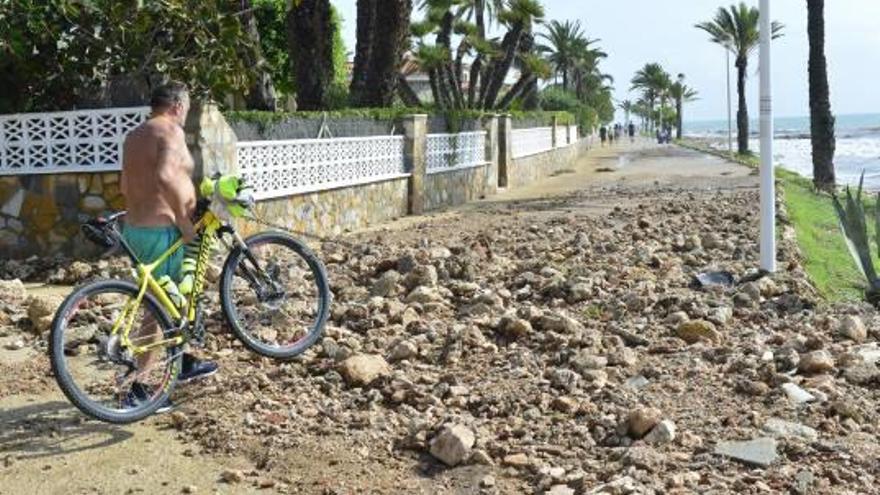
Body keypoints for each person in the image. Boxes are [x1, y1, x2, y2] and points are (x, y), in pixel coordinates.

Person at [120, 81, 219, 412]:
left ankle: (183, 361)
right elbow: (164, 176)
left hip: (137, 229)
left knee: (173, 301)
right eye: (187, 108)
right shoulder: (171, 131)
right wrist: (183, 221)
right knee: (155, 312)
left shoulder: (135, 136)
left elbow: (125, 183)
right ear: (178, 105)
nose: (186, 114)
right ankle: (137, 388)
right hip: (161, 231)